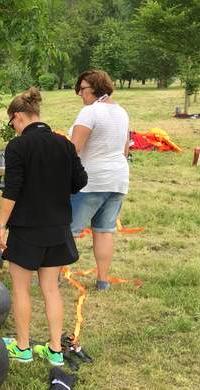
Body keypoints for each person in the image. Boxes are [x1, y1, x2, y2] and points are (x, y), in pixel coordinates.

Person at [0, 87, 87, 366]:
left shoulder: (18, 146)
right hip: (58, 227)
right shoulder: (64, 143)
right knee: (51, 289)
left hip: (26, 230)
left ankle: (23, 349)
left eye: (12, 123)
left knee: (21, 289)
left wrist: (1, 225)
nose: (13, 129)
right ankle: (56, 350)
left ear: (19, 116)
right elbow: (79, 181)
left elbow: (12, 190)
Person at [69, 69, 130, 291]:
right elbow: (124, 150)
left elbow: (74, 148)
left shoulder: (90, 112)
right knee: (104, 231)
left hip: (91, 181)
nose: (80, 94)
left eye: (82, 89)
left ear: (94, 89)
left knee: (68, 230)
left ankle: (52, 277)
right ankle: (103, 281)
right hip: (118, 179)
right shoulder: (122, 112)